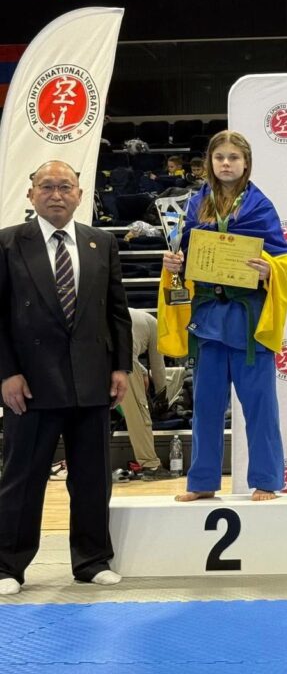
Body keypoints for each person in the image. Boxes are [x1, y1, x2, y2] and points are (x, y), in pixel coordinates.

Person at [0, 160, 132, 594]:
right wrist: (6, 373)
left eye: (65, 187)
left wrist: (121, 367)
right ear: (31, 194)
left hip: (91, 379)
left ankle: (92, 561)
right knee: (22, 478)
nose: (56, 194)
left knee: (93, 478)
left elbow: (117, 311)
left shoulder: (101, 243)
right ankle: (6, 566)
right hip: (30, 384)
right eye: (46, 186)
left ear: (79, 194)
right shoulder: (8, 243)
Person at [158, 130, 287, 502]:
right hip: (208, 321)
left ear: (246, 163)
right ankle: (202, 482)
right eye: (220, 158)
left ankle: (266, 480)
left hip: (249, 322)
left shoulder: (260, 206)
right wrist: (173, 264)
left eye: (234, 157)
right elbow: (183, 254)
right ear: (210, 163)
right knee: (206, 406)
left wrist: (268, 270)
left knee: (261, 407)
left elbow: (281, 257)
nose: (226, 164)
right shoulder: (195, 205)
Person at [121, 308, 174, 481]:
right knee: (139, 413)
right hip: (123, 361)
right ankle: (150, 465)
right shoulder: (154, 324)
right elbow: (158, 366)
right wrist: (162, 396)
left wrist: (143, 373)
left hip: (92, 357)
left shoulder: (133, 315)